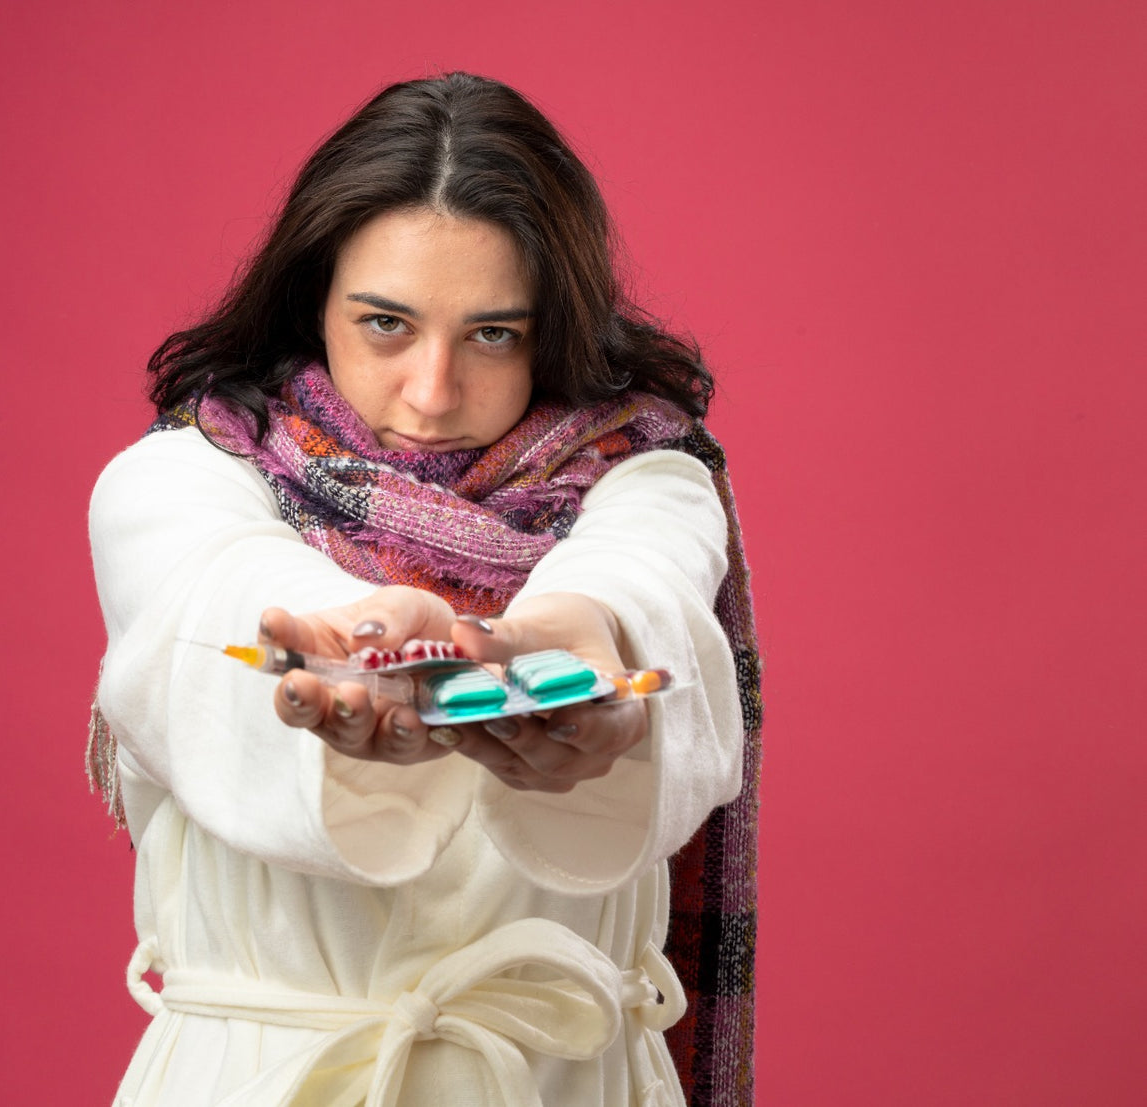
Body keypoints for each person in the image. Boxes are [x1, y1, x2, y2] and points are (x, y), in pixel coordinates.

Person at [87, 72, 762, 1107]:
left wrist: (550, 648)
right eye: (387, 325)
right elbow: (225, 590)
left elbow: (634, 586)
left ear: (554, 328)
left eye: (494, 334)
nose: (434, 391)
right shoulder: (175, 479)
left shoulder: (645, 477)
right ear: (315, 300)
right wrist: (362, 635)